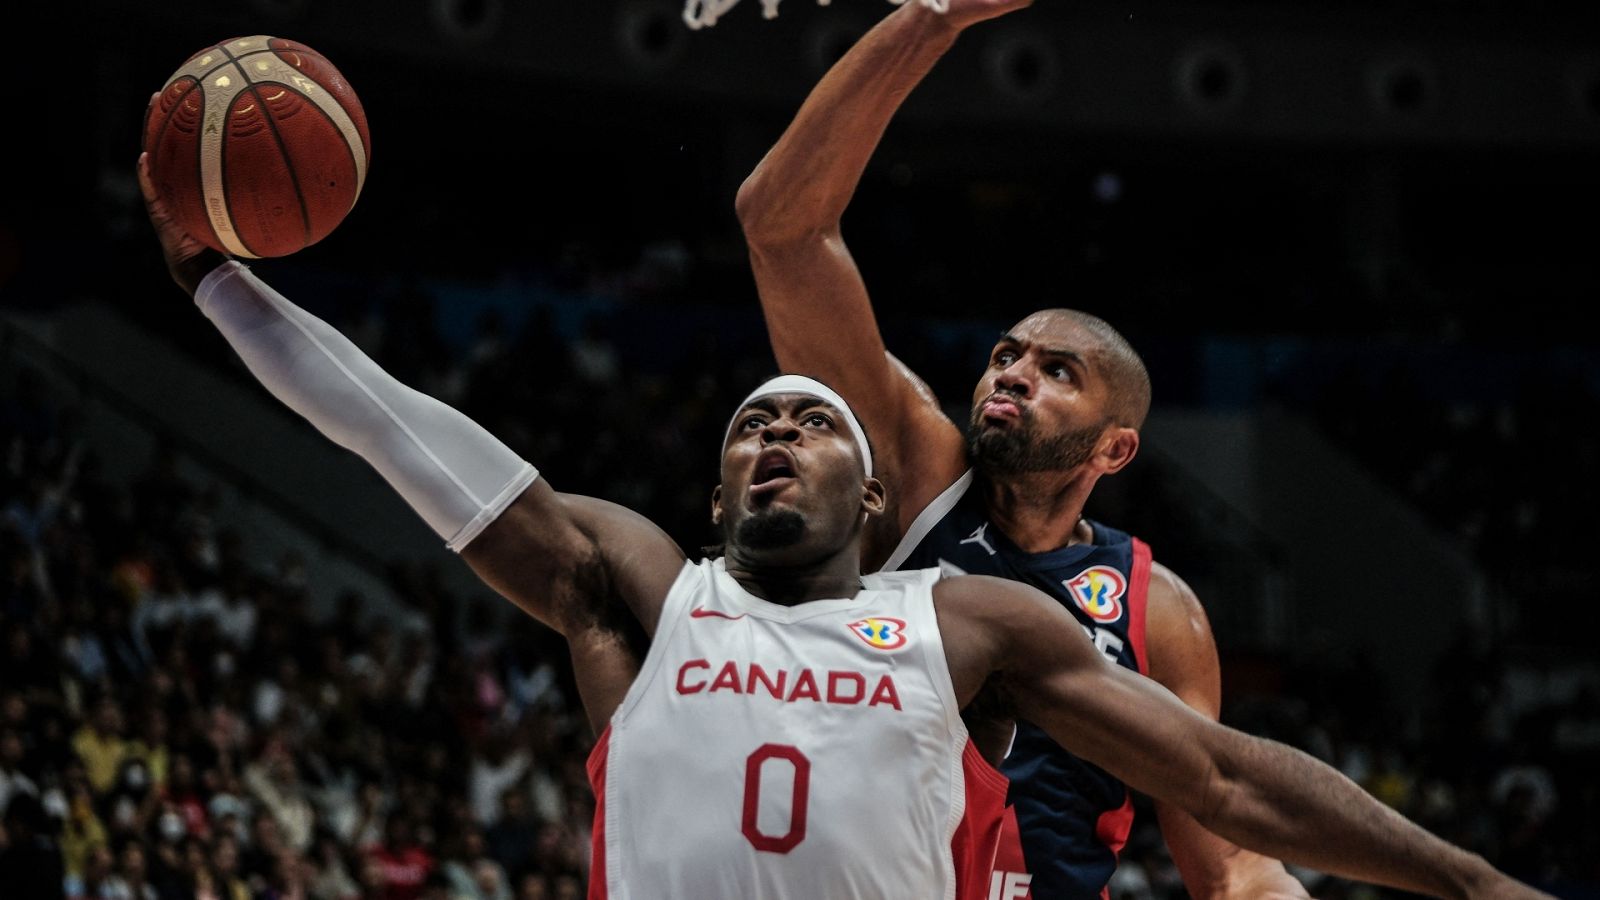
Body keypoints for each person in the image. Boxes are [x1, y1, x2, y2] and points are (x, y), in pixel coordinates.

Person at [135, 154, 1552, 900]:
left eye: (812, 421)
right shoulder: (638, 592)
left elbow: (1223, 780)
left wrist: (1470, 878)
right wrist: (210, 280)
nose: (774, 434)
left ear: (876, 496)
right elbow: (390, 424)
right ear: (710, 490)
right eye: (752, 420)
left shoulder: (968, 621)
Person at [732, 0, 1309, 896]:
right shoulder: (914, 469)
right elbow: (782, 226)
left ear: (1113, 452)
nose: (1011, 375)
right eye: (1005, 356)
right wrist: (930, 18)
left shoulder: (1159, 610)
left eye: (1055, 371)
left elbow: (1230, 863)